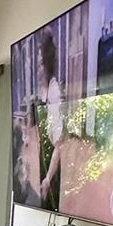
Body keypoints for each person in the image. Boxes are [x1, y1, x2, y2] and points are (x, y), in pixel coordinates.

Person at [37, 29, 63, 208]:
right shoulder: (44, 91)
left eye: (40, 63)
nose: (37, 68)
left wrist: (47, 180)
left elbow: (59, 144)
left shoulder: (54, 92)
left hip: (52, 174)